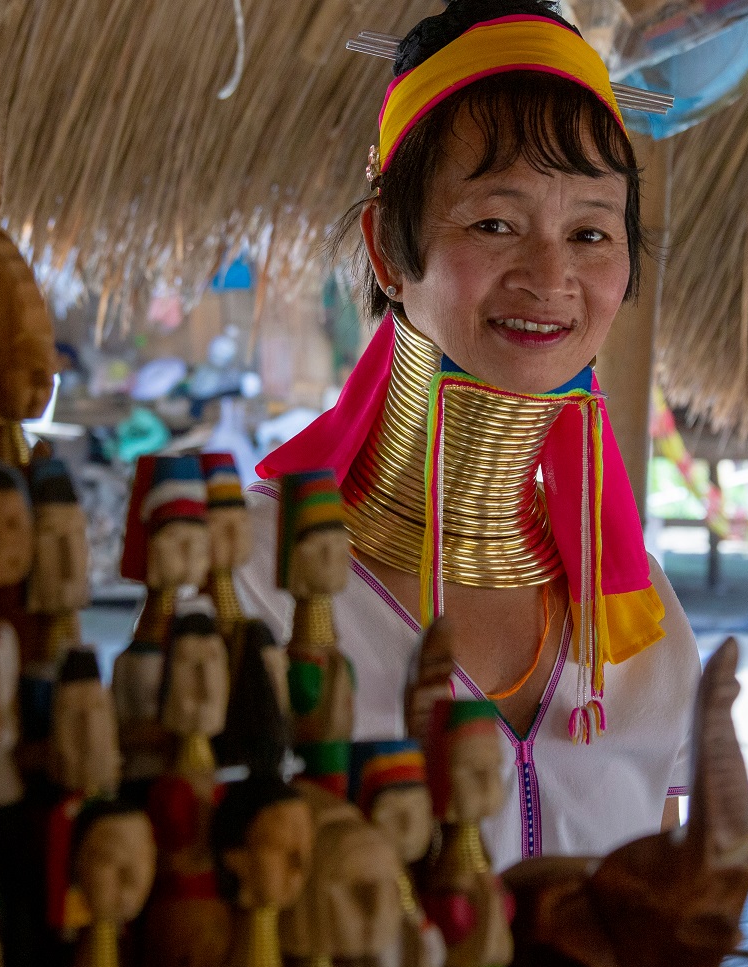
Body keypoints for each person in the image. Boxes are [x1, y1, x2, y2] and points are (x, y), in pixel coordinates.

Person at [246, 0, 699, 870]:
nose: (551, 276)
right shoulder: (254, 582)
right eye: (495, 222)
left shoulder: (638, 622)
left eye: (591, 233)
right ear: (387, 245)